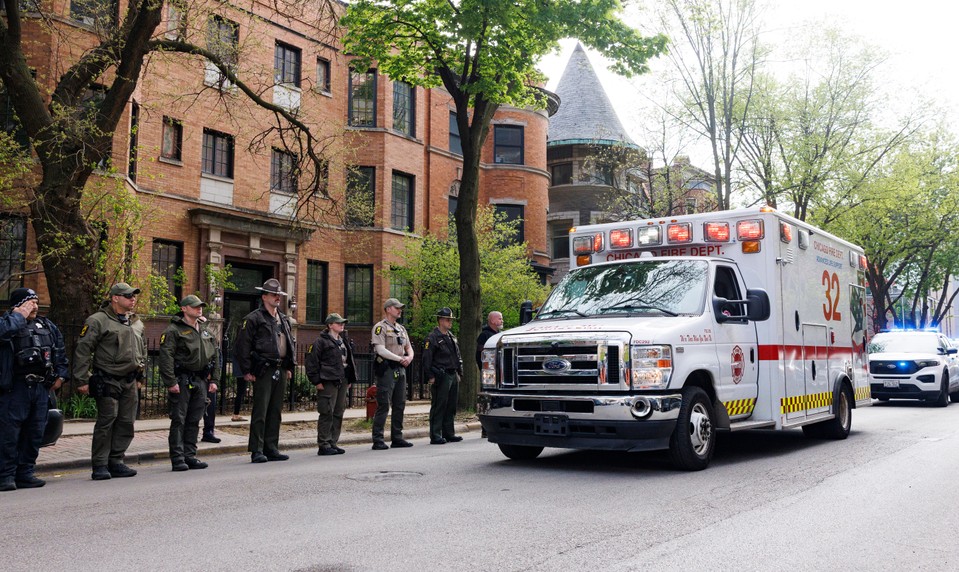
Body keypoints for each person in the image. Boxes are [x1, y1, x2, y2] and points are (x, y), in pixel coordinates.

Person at [75, 282, 146, 481]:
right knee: (107, 420)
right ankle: (100, 464)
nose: (133, 299)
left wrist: (141, 376)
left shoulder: (136, 322)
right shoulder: (98, 320)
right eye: (128, 296)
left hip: (130, 380)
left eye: (134, 296)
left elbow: (142, 351)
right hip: (108, 378)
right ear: (115, 298)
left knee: (126, 421)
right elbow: (83, 349)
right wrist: (82, 379)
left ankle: (116, 461)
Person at [0, 288, 68, 491]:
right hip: (15, 389)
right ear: (16, 305)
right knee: (9, 434)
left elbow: (59, 351)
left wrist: (61, 376)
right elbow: (3, 334)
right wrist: (18, 316)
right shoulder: (6, 323)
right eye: (29, 303)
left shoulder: (47, 326)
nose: (35, 306)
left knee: (35, 432)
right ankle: (5, 476)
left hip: (40, 388)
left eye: (37, 302)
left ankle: (25, 473)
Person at [233, 278, 295, 463]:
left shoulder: (283, 318)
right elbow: (242, 346)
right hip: (263, 369)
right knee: (261, 410)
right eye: (274, 294)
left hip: (280, 367)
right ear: (264, 297)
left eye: (279, 295)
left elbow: (289, 343)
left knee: (276, 410)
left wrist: (289, 366)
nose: (278, 298)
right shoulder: (253, 319)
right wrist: (246, 370)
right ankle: (257, 449)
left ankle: (271, 447)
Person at [159, 295, 220, 472]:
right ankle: (178, 458)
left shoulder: (205, 330)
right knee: (179, 420)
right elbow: (166, 357)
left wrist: (214, 379)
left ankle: (190, 455)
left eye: (200, 306)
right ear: (184, 308)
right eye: (194, 306)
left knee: (194, 419)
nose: (199, 309)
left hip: (200, 380)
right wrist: (171, 381)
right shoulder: (173, 330)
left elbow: (215, 355)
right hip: (182, 380)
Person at [305, 313, 357, 456]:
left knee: (338, 411)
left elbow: (349, 361)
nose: (342, 325)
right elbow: (312, 362)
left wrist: (350, 379)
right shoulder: (320, 342)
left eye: (342, 323)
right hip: (328, 380)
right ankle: (324, 444)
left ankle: (333, 442)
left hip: (342, 379)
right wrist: (316, 381)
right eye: (338, 323)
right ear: (330, 325)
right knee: (327, 411)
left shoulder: (343, 340)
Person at [370, 298, 414, 450]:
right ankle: (378, 439)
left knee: (400, 404)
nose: (400, 310)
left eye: (400, 308)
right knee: (383, 404)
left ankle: (397, 437)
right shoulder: (380, 328)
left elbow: (408, 347)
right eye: (397, 308)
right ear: (388, 309)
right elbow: (380, 350)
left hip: (400, 368)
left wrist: (409, 357)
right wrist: (400, 359)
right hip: (387, 368)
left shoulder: (401, 329)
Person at [423, 307, 463, 445]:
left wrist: (459, 372)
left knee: (451, 405)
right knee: (439, 405)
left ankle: (449, 433)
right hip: (442, 374)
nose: (450, 322)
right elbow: (427, 359)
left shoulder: (451, 336)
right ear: (440, 320)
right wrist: (430, 376)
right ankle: (435, 434)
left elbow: (457, 356)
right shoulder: (432, 338)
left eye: (451, 320)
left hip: (452, 373)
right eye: (447, 320)